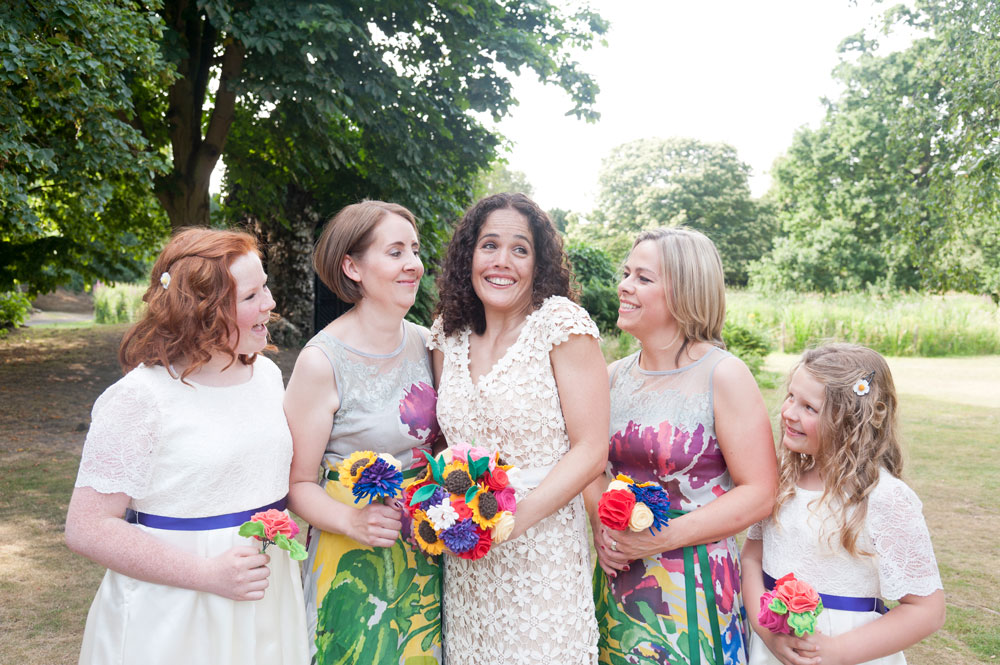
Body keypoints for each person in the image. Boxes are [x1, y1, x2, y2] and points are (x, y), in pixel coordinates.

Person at [66, 228, 308, 665]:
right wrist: (207, 574)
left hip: (265, 595)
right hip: (176, 611)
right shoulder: (140, 398)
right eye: (251, 295)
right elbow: (87, 527)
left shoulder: (269, 376)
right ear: (204, 311)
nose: (270, 303)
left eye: (265, 286)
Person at [428, 192, 609, 665]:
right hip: (468, 561)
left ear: (538, 262)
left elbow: (590, 449)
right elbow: (449, 443)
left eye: (520, 249)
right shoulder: (448, 332)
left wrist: (511, 521)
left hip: (543, 554)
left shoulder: (561, 326)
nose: (501, 261)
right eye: (489, 245)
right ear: (469, 255)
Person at [585, 227, 778, 665]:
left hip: (694, 586)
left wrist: (658, 539)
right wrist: (601, 522)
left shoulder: (723, 375)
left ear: (685, 292)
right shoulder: (612, 375)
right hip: (619, 579)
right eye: (626, 273)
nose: (624, 286)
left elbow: (760, 492)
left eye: (643, 278)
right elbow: (592, 464)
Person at [284, 201, 442, 665]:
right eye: (395, 252)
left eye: (414, 250)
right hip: (349, 553)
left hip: (421, 553)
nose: (413, 264)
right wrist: (353, 521)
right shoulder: (321, 362)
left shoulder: (426, 343)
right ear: (352, 266)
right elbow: (295, 485)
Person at [741, 344, 945, 665]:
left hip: (848, 652)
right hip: (771, 648)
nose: (789, 412)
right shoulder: (781, 478)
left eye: (809, 407)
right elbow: (752, 559)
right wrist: (766, 632)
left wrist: (832, 652)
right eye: (791, 397)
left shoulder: (884, 498)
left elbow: (927, 611)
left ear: (849, 423)